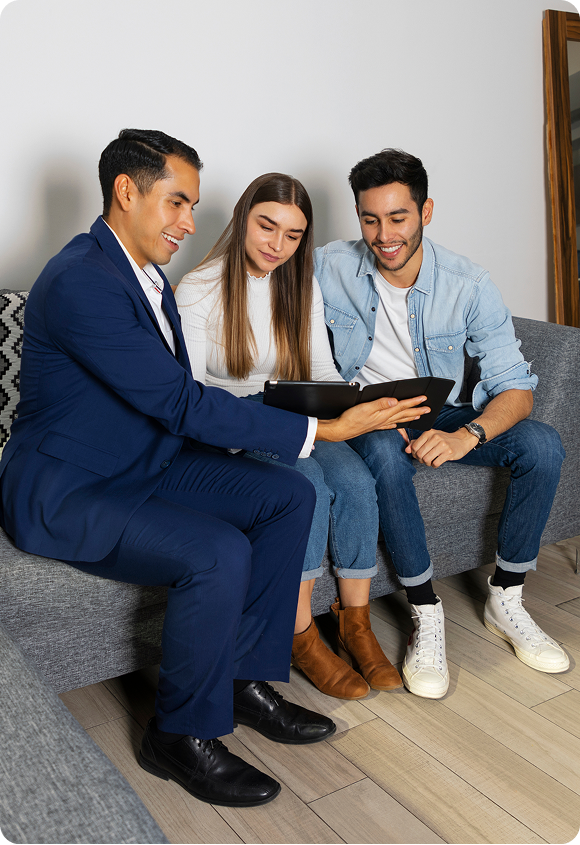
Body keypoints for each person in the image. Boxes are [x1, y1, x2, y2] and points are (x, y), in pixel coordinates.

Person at [0, 130, 426, 809]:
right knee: (218, 549)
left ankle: (243, 681)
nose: (189, 224)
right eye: (176, 203)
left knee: (289, 495)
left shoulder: (141, 270)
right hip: (73, 489)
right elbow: (179, 401)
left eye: (193, 206)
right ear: (126, 191)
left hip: (144, 461)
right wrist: (321, 427)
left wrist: (318, 426)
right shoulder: (82, 278)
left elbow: (167, 405)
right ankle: (178, 735)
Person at [314, 148, 569, 700]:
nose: (384, 234)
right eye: (370, 218)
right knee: (382, 452)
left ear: (426, 212)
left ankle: (507, 598)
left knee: (543, 446)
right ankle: (425, 611)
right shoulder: (328, 265)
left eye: (398, 217)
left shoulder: (469, 284)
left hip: (445, 409)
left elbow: (517, 388)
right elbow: (256, 278)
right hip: (369, 413)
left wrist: (464, 435)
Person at [176, 173, 419, 700]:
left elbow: (323, 370)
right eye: (267, 226)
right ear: (243, 218)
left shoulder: (298, 283)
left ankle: (356, 624)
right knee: (305, 484)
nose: (277, 246)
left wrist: (358, 402)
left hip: (296, 413)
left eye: (292, 236)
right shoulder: (197, 290)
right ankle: (300, 634)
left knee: (355, 481)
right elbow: (191, 397)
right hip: (238, 423)